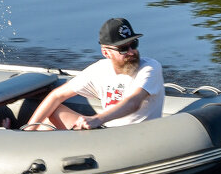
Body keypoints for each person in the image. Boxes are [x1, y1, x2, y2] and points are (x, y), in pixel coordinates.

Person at [22, 17, 164, 130]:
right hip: (103, 134)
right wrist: (28, 131)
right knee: (50, 115)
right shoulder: (100, 70)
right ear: (106, 52)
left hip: (135, 137)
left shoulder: (150, 68)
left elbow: (133, 102)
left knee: (50, 126)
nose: (131, 52)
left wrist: (97, 119)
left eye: (134, 44)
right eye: (123, 49)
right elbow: (57, 95)